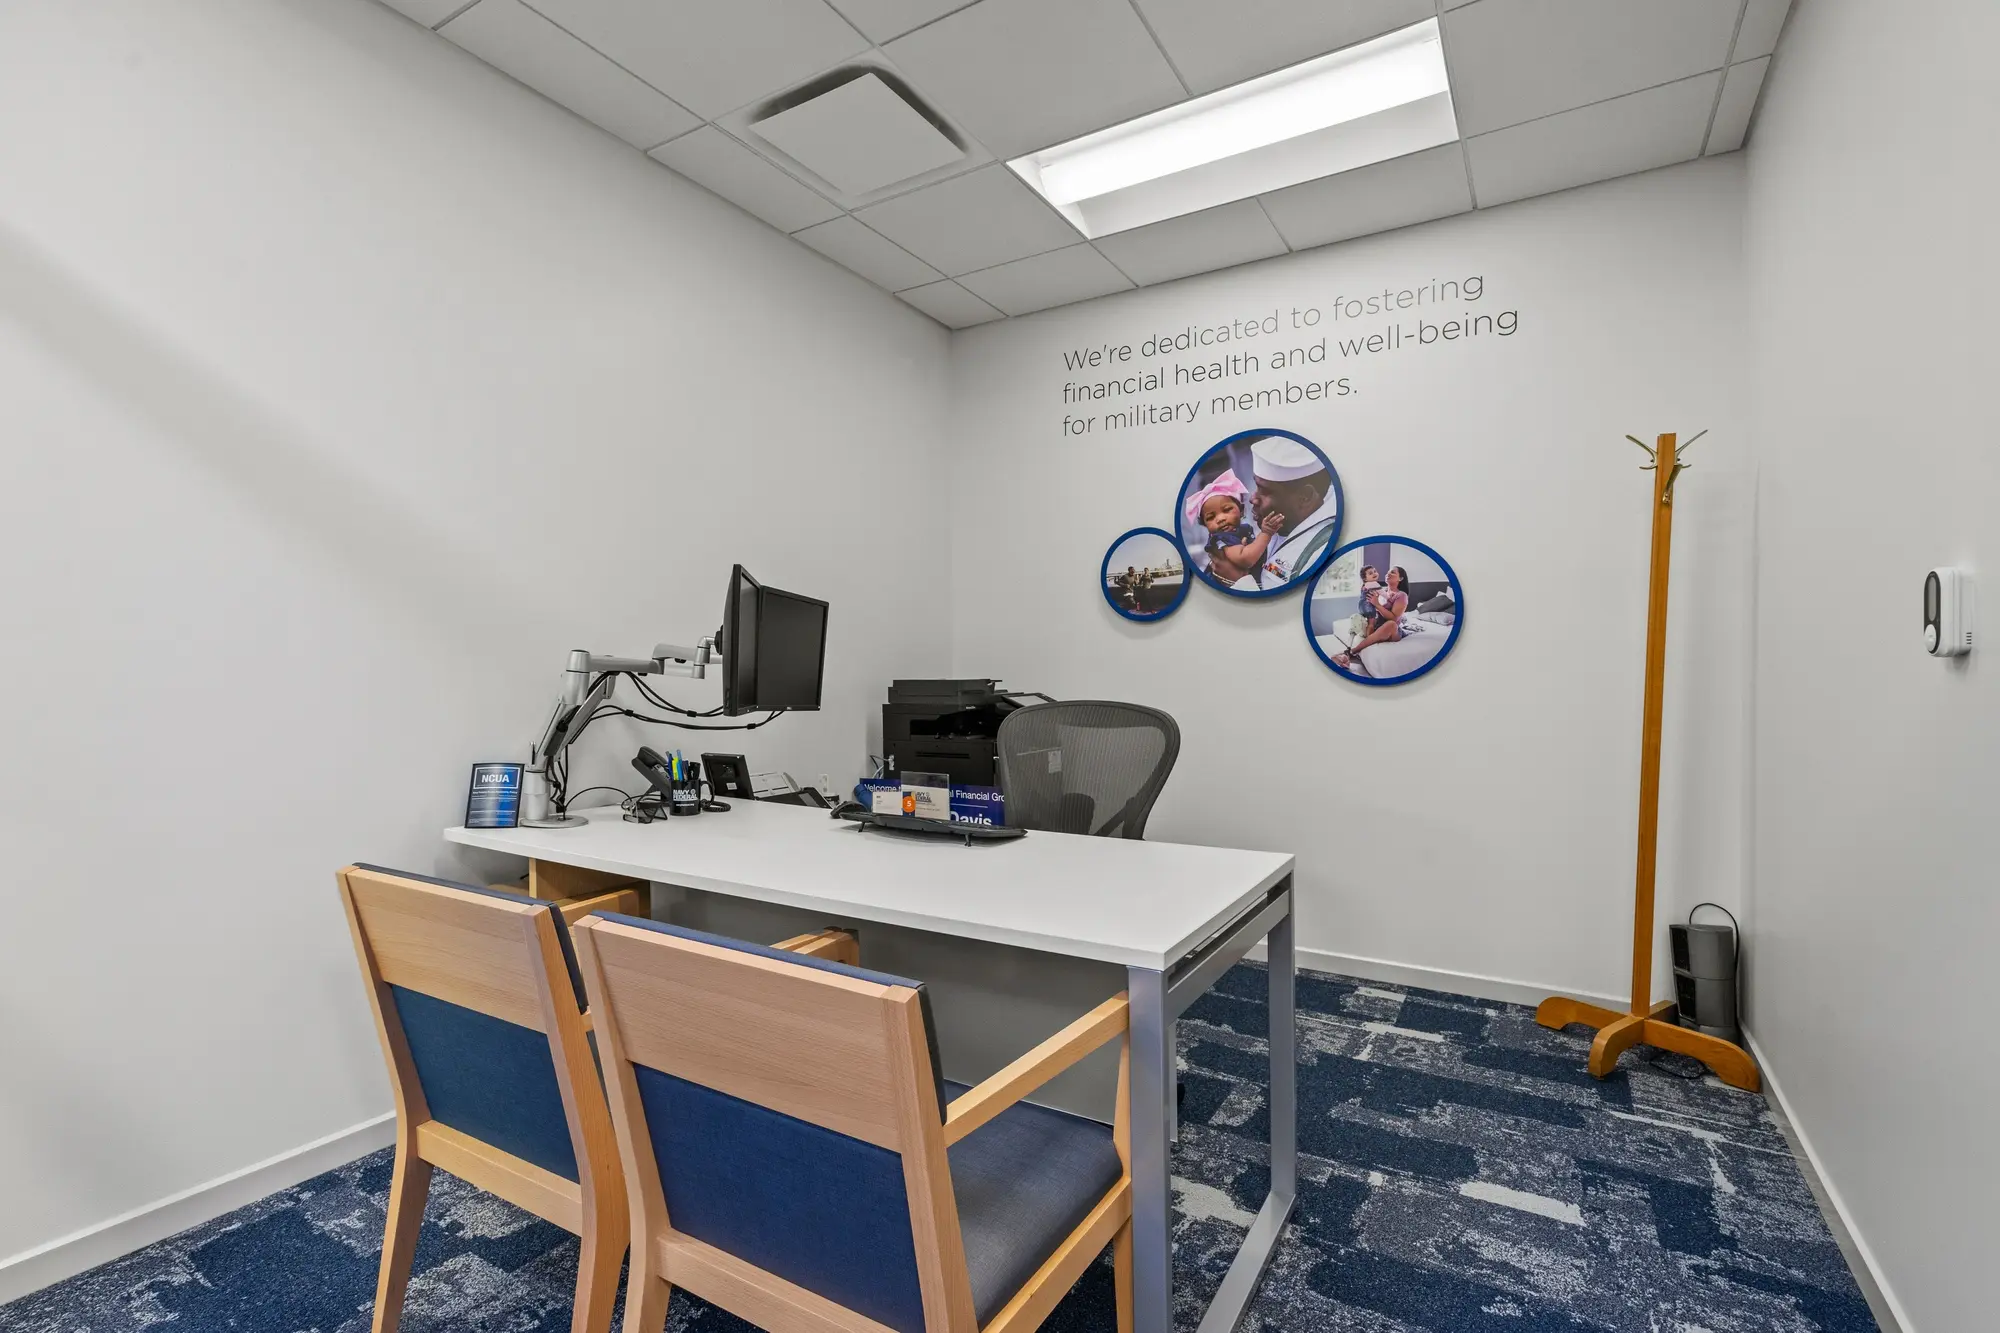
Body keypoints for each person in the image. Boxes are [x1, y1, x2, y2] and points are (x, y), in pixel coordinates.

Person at [1248, 437, 1338, 587]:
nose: (1253, 498)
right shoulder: (1281, 524)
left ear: (1305, 497)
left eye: (1264, 491)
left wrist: (1235, 578)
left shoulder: (1320, 550)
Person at [1184, 472, 1271, 586]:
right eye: (1210, 517)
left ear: (1241, 511)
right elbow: (1246, 559)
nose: (1220, 519)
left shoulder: (1243, 529)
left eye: (1226, 510)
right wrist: (1266, 533)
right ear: (1204, 525)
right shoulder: (1222, 538)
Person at [1337, 565, 1410, 669]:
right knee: (1357, 618)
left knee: (1391, 624)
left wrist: (1377, 605)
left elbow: (1393, 618)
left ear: (1400, 578)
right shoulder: (1381, 591)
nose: (1388, 573)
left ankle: (1351, 652)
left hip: (1392, 631)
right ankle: (1350, 652)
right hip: (1378, 625)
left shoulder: (1401, 595)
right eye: (1388, 571)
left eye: (1393, 572)